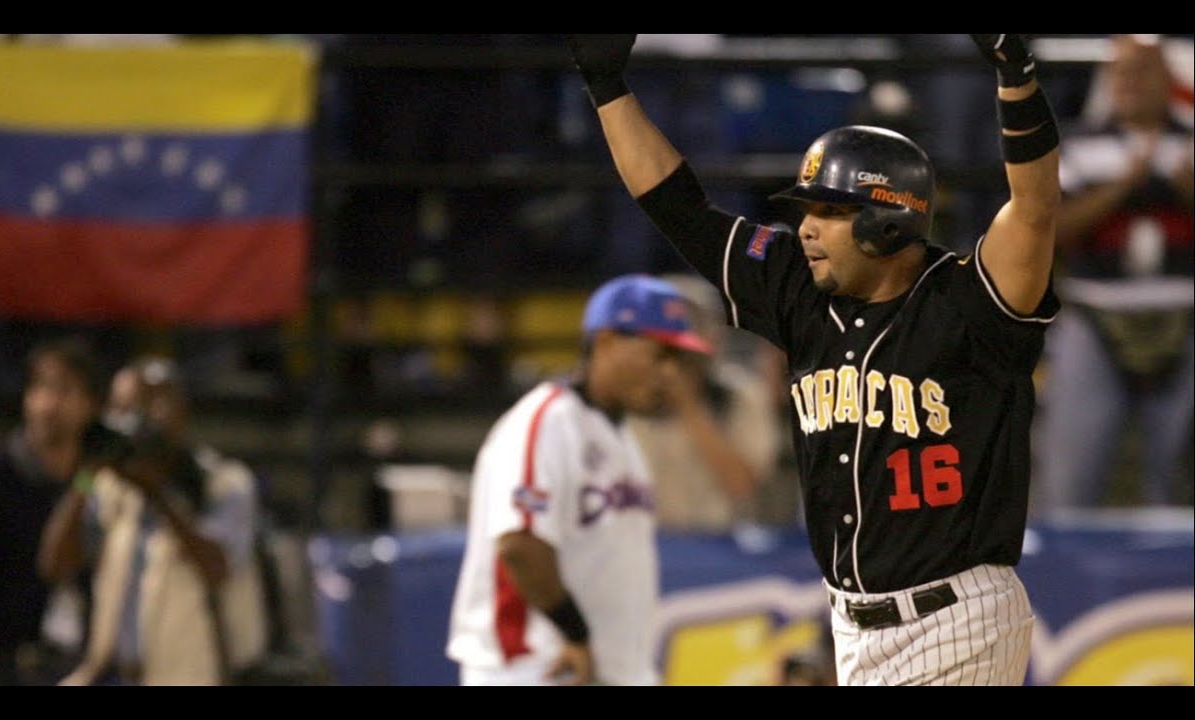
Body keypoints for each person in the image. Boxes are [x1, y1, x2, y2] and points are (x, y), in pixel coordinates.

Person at [565, 33, 1061, 685]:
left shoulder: (967, 302)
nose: (805, 228)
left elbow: (1034, 208)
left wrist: (1016, 77)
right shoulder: (795, 286)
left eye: (827, 211)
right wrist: (607, 88)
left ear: (890, 220)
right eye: (805, 211)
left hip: (957, 618)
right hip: (850, 625)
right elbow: (677, 208)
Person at [445, 274, 711, 686]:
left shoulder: (620, 436)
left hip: (606, 669)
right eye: (659, 353)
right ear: (605, 341)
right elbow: (520, 543)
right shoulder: (547, 421)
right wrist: (575, 633)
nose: (669, 373)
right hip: (539, 666)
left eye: (677, 359)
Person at [39, 355, 269, 685]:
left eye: (149, 405)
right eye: (123, 409)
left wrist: (157, 493)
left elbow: (217, 567)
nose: (135, 421)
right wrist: (86, 475)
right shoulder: (109, 488)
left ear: (182, 412)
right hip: (115, 673)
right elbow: (55, 566)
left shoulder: (222, 482)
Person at [1037, 34, 1194, 515]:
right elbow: (1050, 230)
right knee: (1070, 473)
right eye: (1119, 73)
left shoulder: (1189, 146)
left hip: (1185, 319)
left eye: (1141, 71)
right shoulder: (1077, 144)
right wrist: (1124, 185)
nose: (1128, 83)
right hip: (1094, 316)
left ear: (1168, 80)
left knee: (1176, 484)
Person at [0, 336, 101, 685]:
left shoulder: (94, 477)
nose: (48, 404)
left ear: (90, 404)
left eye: (64, 390)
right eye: (40, 387)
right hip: (12, 666)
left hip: (84, 669)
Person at [626, 273, 792, 530]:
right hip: (646, 539)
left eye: (694, 327)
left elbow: (742, 485)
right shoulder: (627, 395)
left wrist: (689, 407)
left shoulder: (740, 395)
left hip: (720, 546)